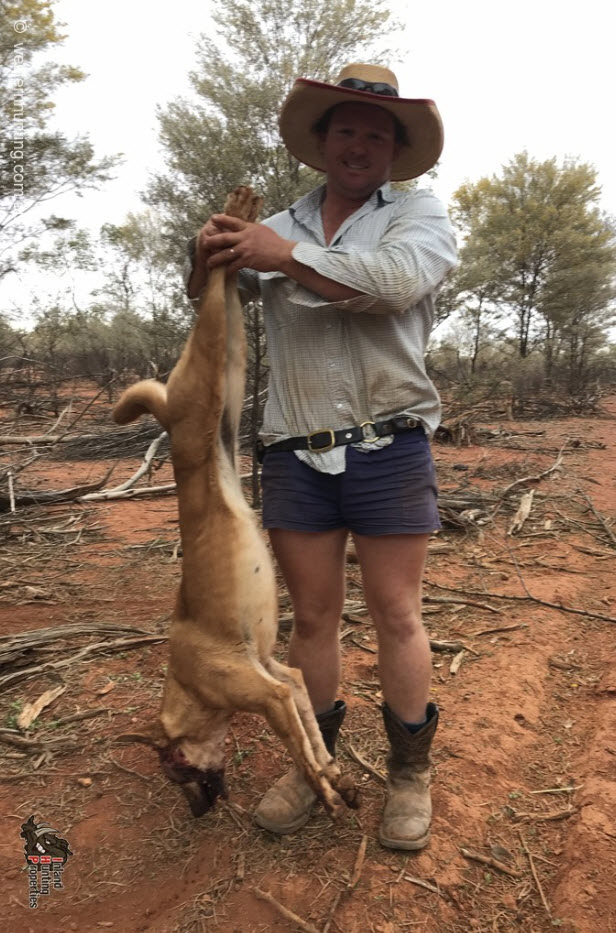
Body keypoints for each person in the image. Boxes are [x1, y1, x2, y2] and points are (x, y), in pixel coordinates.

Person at [186, 63, 457, 850]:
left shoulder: (417, 216)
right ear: (322, 141)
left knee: (398, 613)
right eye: (347, 129)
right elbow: (211, 298)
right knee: (311, 619)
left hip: (389, 441)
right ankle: (315, 760)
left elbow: (398, 283)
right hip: (296, 449)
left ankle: (410, 772)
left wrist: (283, 255)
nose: (360, 144)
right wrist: (205, 260)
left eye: (378, 133)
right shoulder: (274, 223)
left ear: (394, 150)